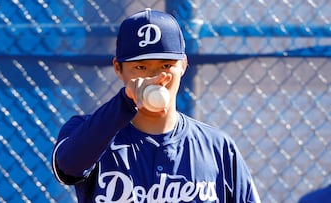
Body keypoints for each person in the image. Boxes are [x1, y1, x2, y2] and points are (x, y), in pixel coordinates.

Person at [52, 8, 261, 203]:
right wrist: (126, 101)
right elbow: (69, 167)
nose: (155, 77)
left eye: (166, 65)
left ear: (184, 66)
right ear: (118, 68)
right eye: (141, 67)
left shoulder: (218, 147)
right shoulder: (88, 133)